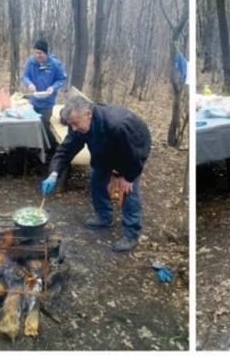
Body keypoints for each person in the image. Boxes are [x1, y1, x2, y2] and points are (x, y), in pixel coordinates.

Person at [40, 97, 151, 252]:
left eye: (75, 123)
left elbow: (136, 151)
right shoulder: (79, 123)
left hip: (131, 151)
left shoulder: (118, 125)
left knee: (128, 192)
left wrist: (128, 176)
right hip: (104, 151)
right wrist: (54, 173)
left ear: (88, 114)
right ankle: (105, 217)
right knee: (96, 180)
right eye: (70, 124)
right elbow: (67, 148)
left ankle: (131, 234)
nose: (73, 128)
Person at [21, 38, 68, 149]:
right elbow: (25, 76)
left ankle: (47, 149)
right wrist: (30, 84)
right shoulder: (31, 62)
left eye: (40, 53)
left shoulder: (55, 64)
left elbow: (62, 78)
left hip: (48, 102)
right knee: (31, 124)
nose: (38, 55)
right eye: (36, 52)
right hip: (34, 100)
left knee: (44, 126)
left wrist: (53, 87)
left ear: (46, 52)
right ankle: (32, 147)